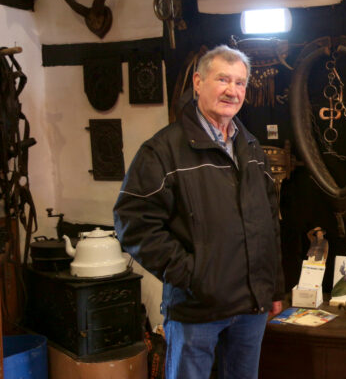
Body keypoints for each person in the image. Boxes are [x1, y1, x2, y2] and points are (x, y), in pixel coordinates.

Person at [113, 45, 284, 379]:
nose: (232, 91)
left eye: (240, 83)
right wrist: (192, 276)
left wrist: (274, 288)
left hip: (251, 307)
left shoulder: (251, 149)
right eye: (223, 79)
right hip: (196, 310)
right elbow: (133, 222)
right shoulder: (162, 151)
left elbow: (269, 225)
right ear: (198, 82)